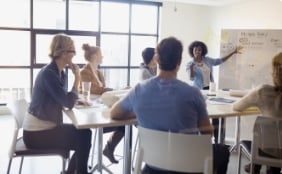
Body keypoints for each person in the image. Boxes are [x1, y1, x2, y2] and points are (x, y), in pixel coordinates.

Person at [110, 36, 230, 174]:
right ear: (179, 61)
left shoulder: (139, 90)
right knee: (223, 151)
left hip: (153, 166)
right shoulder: (194, 94)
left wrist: (141, 111)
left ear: (157, 59)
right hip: (188, 166)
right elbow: (207, 134)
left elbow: (114, 113)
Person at [22, 33, 92, 174]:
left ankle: (71, 172)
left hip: (45, 127)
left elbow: (63, 98)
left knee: (84, 134)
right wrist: (77, 77)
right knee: (83, 137)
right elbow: (67, 102)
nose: (74, 54)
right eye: (72, 51)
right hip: (35, 134)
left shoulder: (60, 73)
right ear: (64, 53)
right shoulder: (49, 74)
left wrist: (75, 99)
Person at [233, 52, 282, 174]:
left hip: (266, 149)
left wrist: (259, 104)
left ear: (275, 73)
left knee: (265, 142)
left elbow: (237, 107)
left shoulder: (263, 92)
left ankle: (255, 166)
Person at [186, 40, 243, 144]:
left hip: (210, 90)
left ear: (202, 51)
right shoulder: (190, 63)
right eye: (195, 50)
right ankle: (200, 141)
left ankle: (218, 141)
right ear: (192, 51)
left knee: (216, 114)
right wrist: (191, 69)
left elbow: (219, 61)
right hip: (199, 91)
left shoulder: (207, 60)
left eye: (199, 49)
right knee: (202, 115)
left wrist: (233, 52)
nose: (197, 51)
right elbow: (191, 78)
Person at [80, 43, 124, 164]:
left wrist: (113, 91)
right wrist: (111, 90)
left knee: (124, 126)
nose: (103, 56)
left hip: (100, 109)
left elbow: (102, 92)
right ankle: (108, 150)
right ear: (94, 56)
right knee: (122, 125)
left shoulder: (99, 72)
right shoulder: (84, 72)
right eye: (101, 54)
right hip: (90, 115)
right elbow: (92, 90)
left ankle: (109, 149)